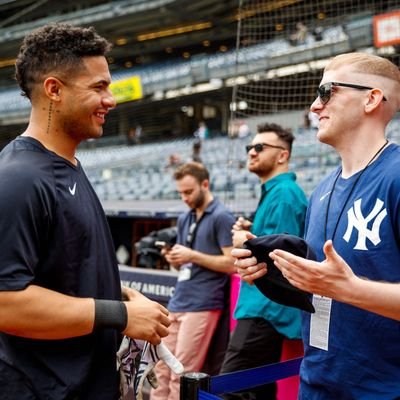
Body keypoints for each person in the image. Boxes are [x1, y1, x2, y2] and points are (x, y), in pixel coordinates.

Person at [0, 23, 170, 400]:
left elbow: (62, 273)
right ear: (54, 90)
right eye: (99, 87)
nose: (111, 99)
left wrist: (124, 298)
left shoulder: (67, 165)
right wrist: (120, 316)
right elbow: (6, 302)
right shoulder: (18, 178)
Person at [234, 52, 400, 399]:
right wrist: (274, 271)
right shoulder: (323, 187)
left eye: (327, 91)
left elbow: (346, 287)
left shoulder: (396, 176)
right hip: (316, 381)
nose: (313, 106)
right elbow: (325, 288)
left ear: (371, 98)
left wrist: (350, 288)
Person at [220, 122, 308, 399]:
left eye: (259, 147)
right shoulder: (278, 192)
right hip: (266, 308)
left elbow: (278, 259)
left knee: (228, 389)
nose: (251, 152)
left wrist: (244, 241)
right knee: (257, 390)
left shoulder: (283, 194)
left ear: (282, 155)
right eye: (249, 147)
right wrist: (252, 235)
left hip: (265, 308)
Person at [151, 162, 236, 400]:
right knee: (160, 369)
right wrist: (175, 258)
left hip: (204, 303)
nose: (184, 198)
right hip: (179, 299)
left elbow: (231, 263)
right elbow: (187, 262)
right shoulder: (184, 218)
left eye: (188, 192)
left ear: (205, 185)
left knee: (182, 372)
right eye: (180, 193)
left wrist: (191, 255)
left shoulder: (222, 216)